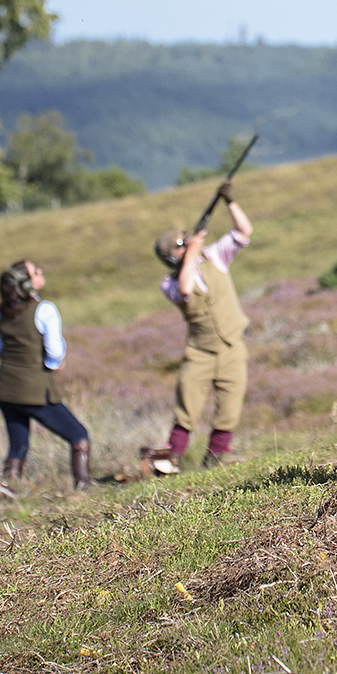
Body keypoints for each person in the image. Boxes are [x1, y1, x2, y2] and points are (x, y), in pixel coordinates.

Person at [143, 182, 253, 474]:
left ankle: (215, 461)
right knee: (187, 409)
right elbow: (185, 288)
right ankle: (171, 461)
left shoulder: (214, 257)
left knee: (229, 409)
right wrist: (192, 251)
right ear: (173, 255)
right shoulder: (168, 284)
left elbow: (244, 232)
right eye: (182, 243)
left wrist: (230, 202)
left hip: (232, 346)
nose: (189, 241)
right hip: (200, 352)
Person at [0, 260, 91, 496]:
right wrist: (55, 365)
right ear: (25, 282)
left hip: (5, 389)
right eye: (36, 272)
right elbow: (55, 352)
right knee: (79, 437)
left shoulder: (2, 313)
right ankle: (83, 491)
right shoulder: (44, 309)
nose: (41, 272)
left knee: (18, 446)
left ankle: (6, 490)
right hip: (33, 390)